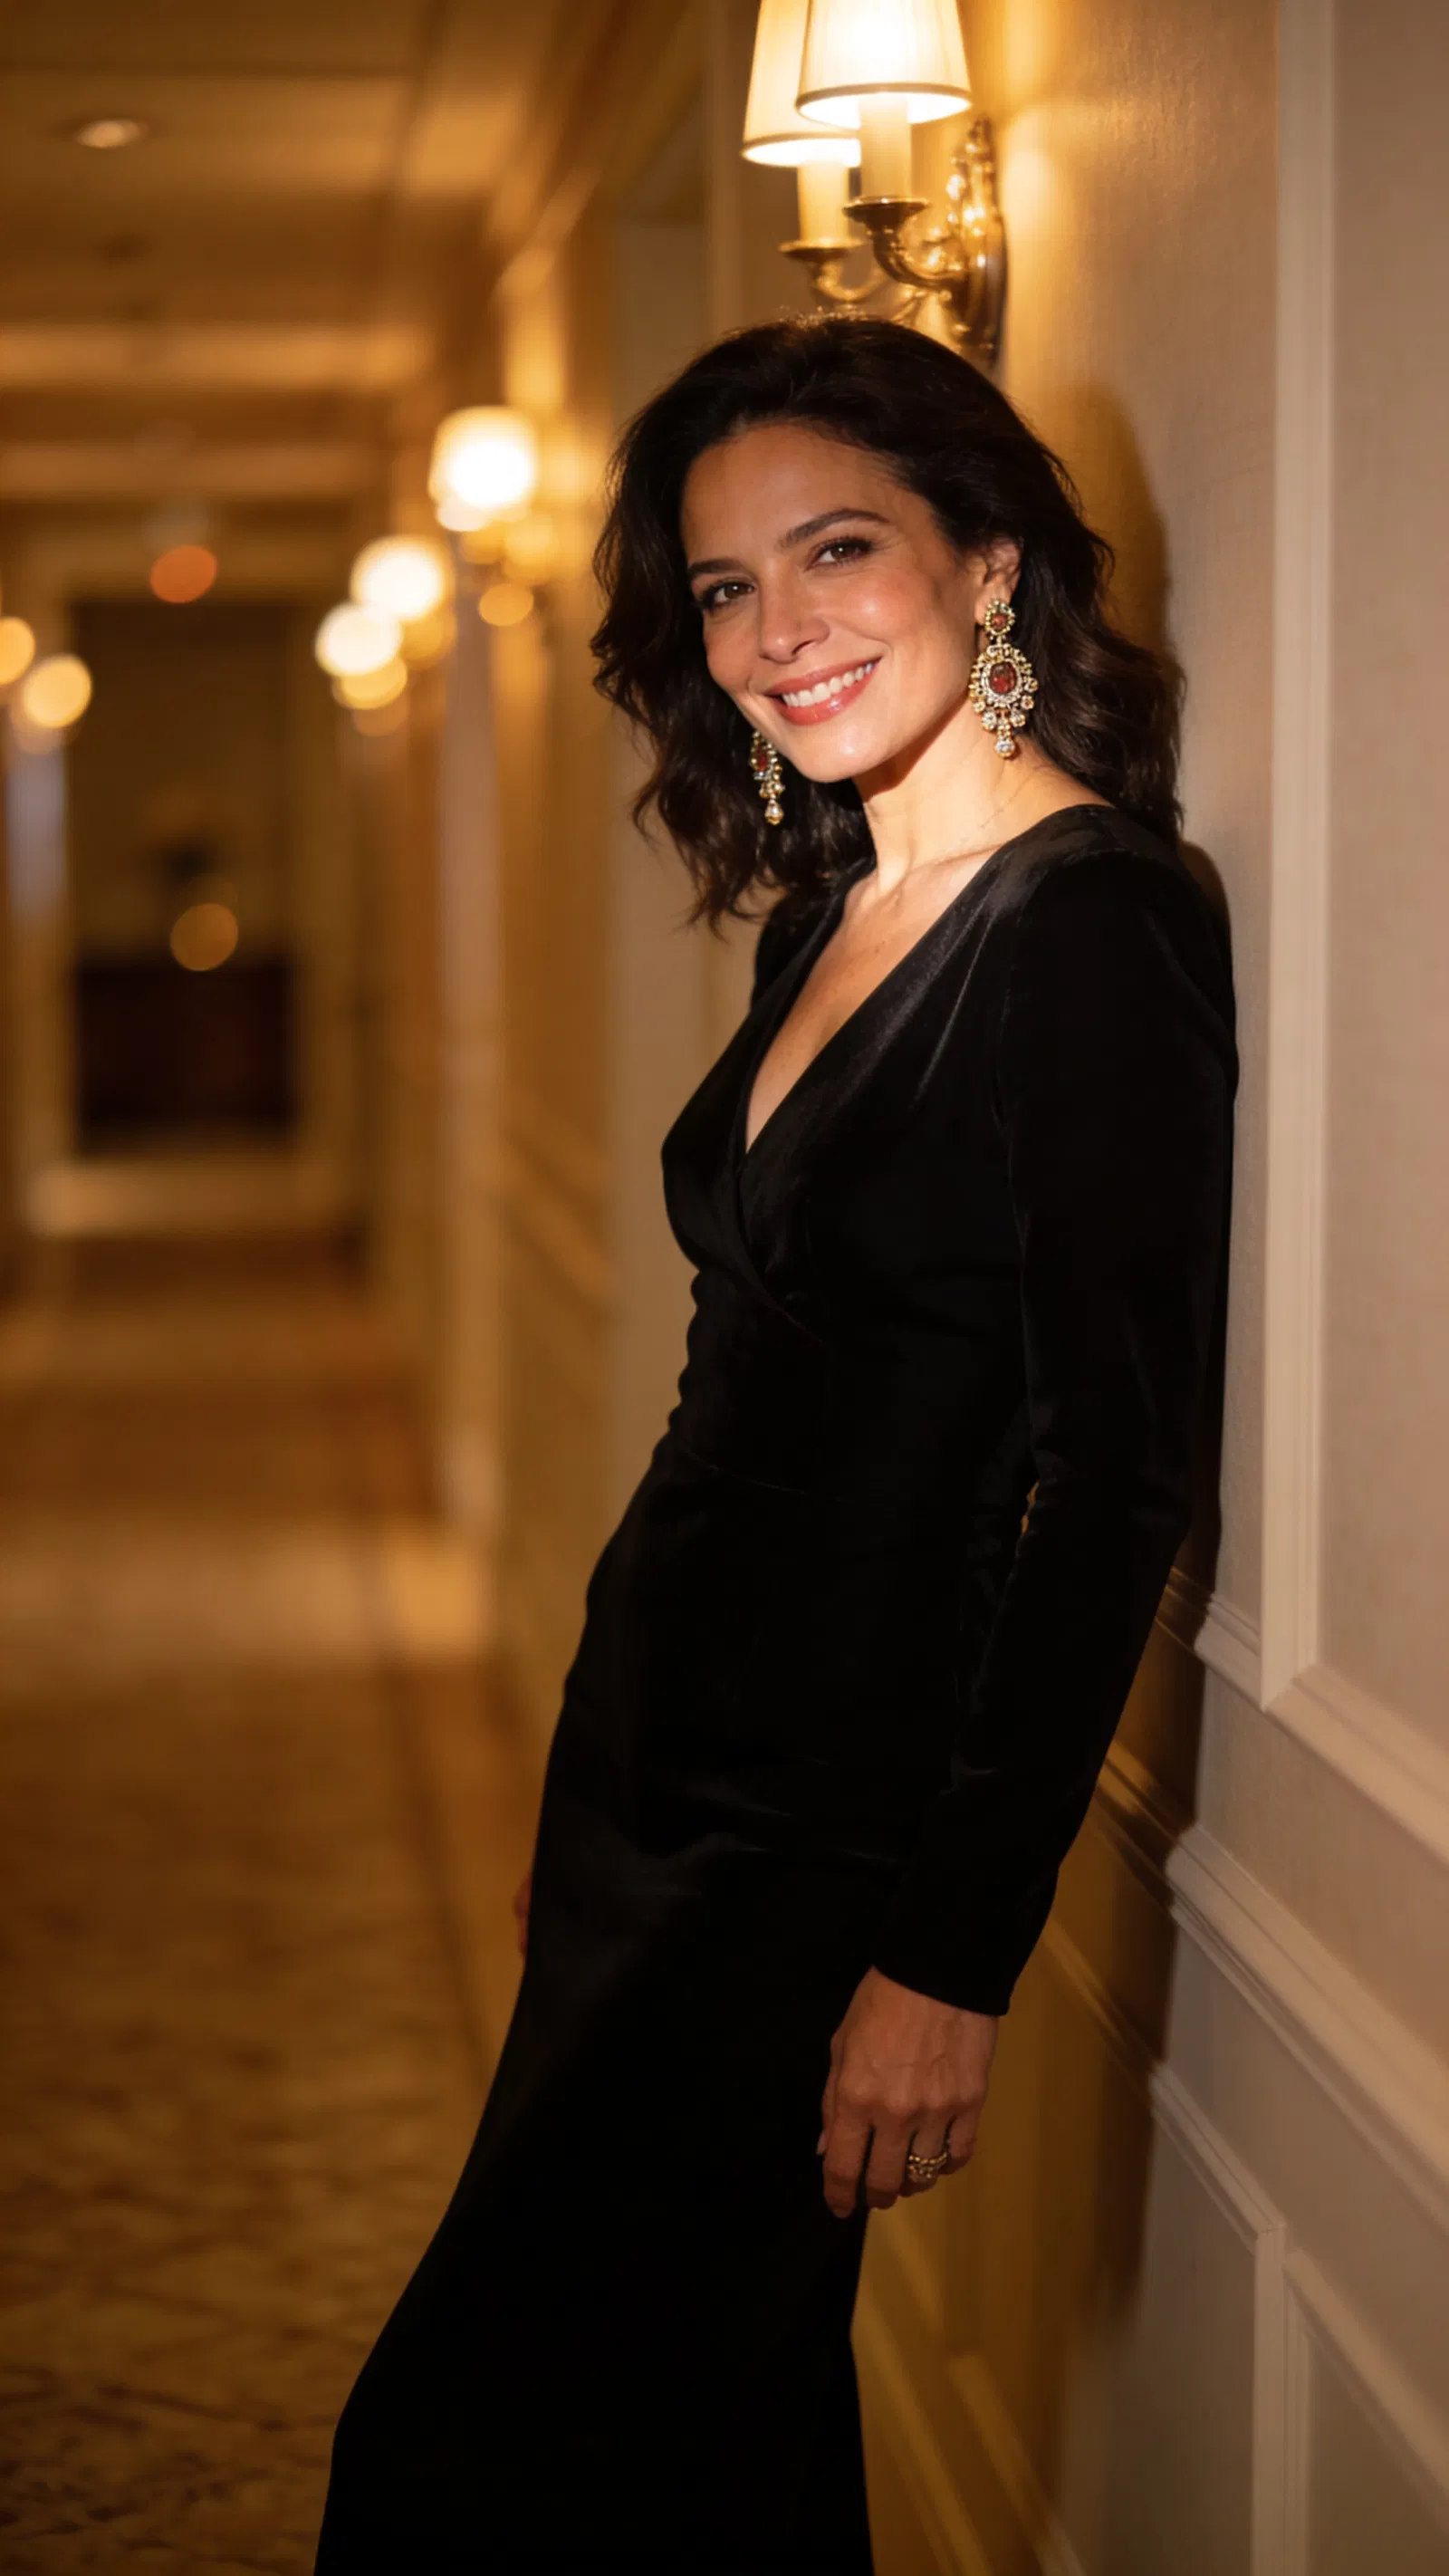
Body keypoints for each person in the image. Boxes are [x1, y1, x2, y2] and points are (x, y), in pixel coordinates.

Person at [315, 314, 1236, 2575]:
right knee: (702, 2444)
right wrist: (585, 1764)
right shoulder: (833, 900)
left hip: (816, 1840)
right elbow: (732, 1406)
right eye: (724, 587)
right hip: (653, 1771)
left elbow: (1104, 1479)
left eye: (835, 551)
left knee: (473, 2448)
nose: (773, 633)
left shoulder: (1095, 921)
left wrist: (948, 1954)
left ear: (986, 562)